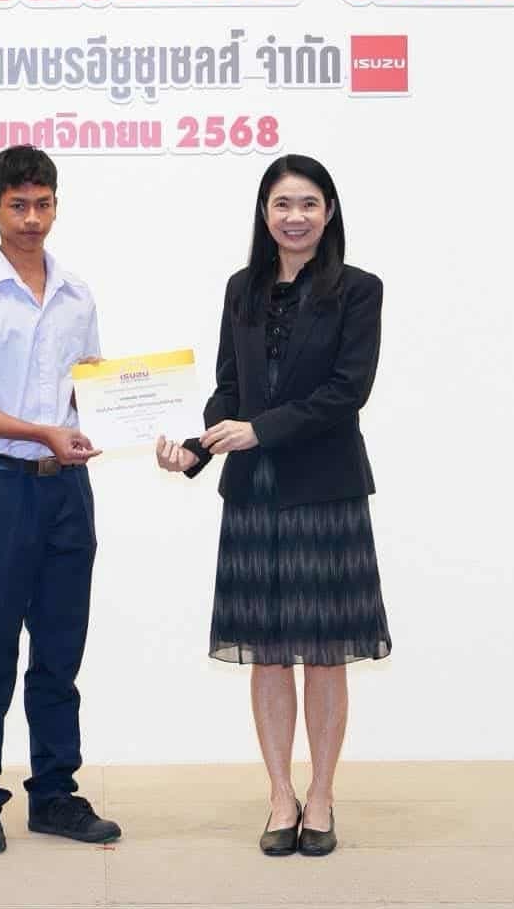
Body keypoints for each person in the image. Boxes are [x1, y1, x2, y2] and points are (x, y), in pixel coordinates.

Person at [154, 154, 390, 857]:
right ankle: (281, 794)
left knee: (324, 654)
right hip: (254, 492)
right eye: (283, 204)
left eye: (309, 203)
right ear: (264, 213)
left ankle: (321, 796)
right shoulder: (243, 289)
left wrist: (260, 429)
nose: (295, 216)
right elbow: (229, 388)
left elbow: (347, 392)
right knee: (268, 654)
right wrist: (196, 449)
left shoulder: (358, 290)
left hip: (325, 489)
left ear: (330, 211)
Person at [0, 146, 122, 854]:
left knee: (59, 650)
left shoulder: (78, 295)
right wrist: (41, 432)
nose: (32, 218)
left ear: (56, 206)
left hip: (69, 490)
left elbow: (91, 388)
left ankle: (54, 795)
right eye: (18, 205)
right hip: (2, 487)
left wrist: (115, 418)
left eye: (43, 204)